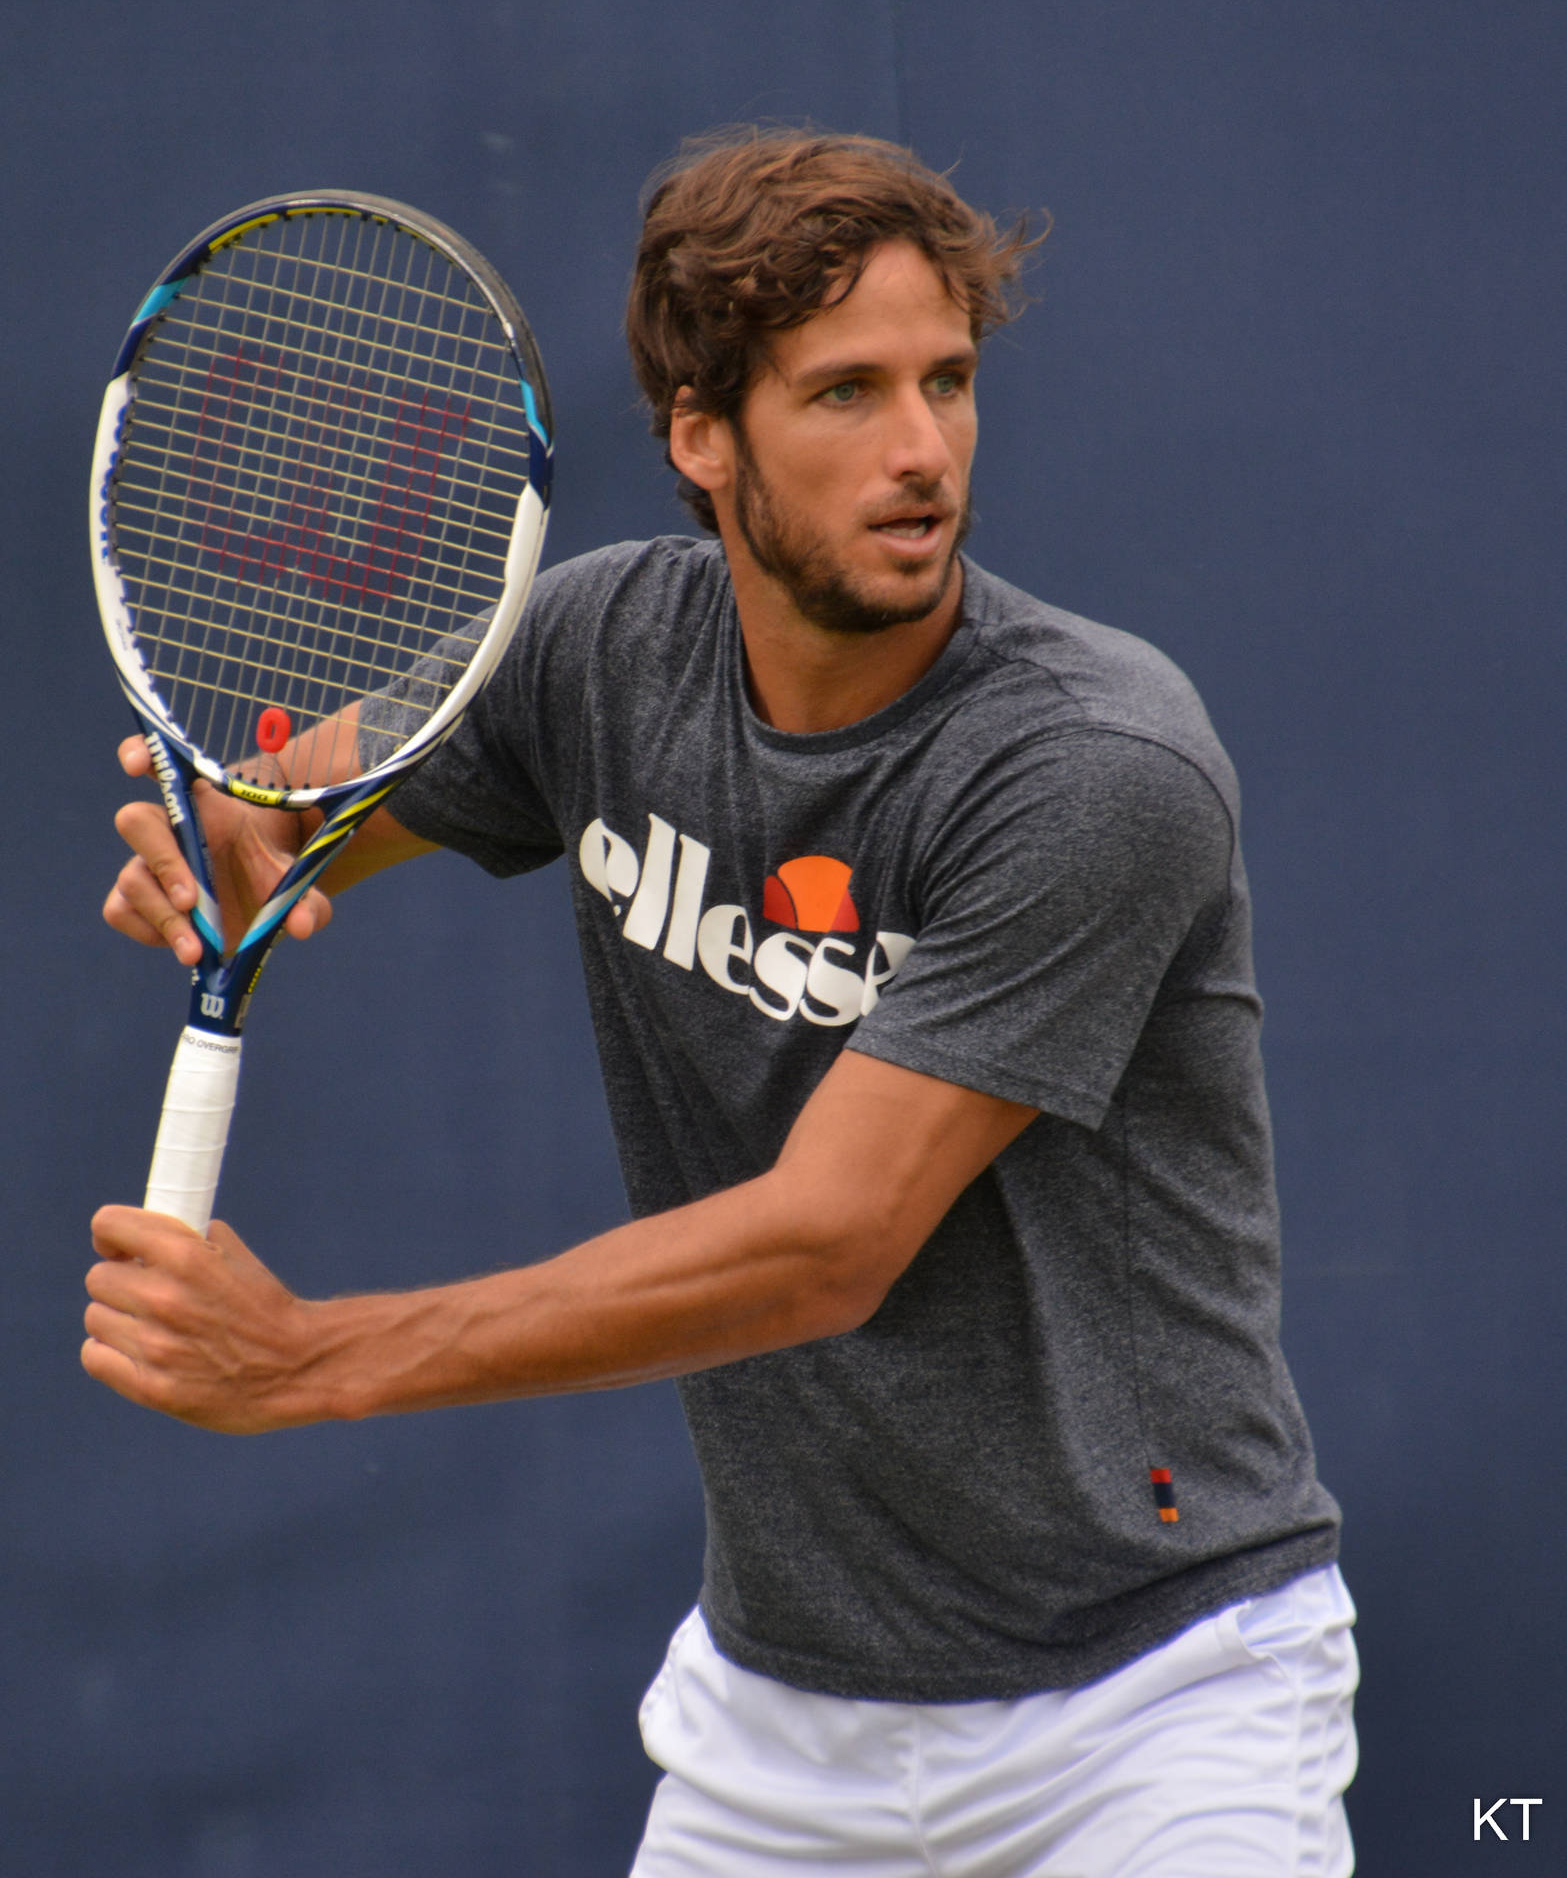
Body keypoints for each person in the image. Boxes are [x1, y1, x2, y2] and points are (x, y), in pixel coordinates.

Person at [87, 130, 1358, 1875]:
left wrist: (312, 1362)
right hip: (778, 1727)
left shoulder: (1093, 765)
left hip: (1151, 1706)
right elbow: (281, 818)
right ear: (703, 434)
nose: (922, 452)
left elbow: (826, 1246)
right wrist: (212, 852)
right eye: (845, 393)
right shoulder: (590, 650)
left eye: (948, 381)